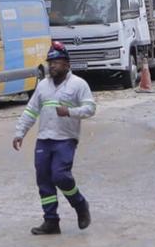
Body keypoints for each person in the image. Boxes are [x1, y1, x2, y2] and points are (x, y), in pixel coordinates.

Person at [13, 41, 97, 235]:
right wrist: (20, 132)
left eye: (57, 62)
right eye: (50, 62)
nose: (52, 66)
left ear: (67, 64)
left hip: (66, 138)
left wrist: (69, 111)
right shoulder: (43, 86)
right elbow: (31, 111)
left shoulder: (78, 84)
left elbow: (90, 108)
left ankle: (80, 205)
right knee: (44, 179)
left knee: (60, 175)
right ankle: (51, 221)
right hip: (44, 139)